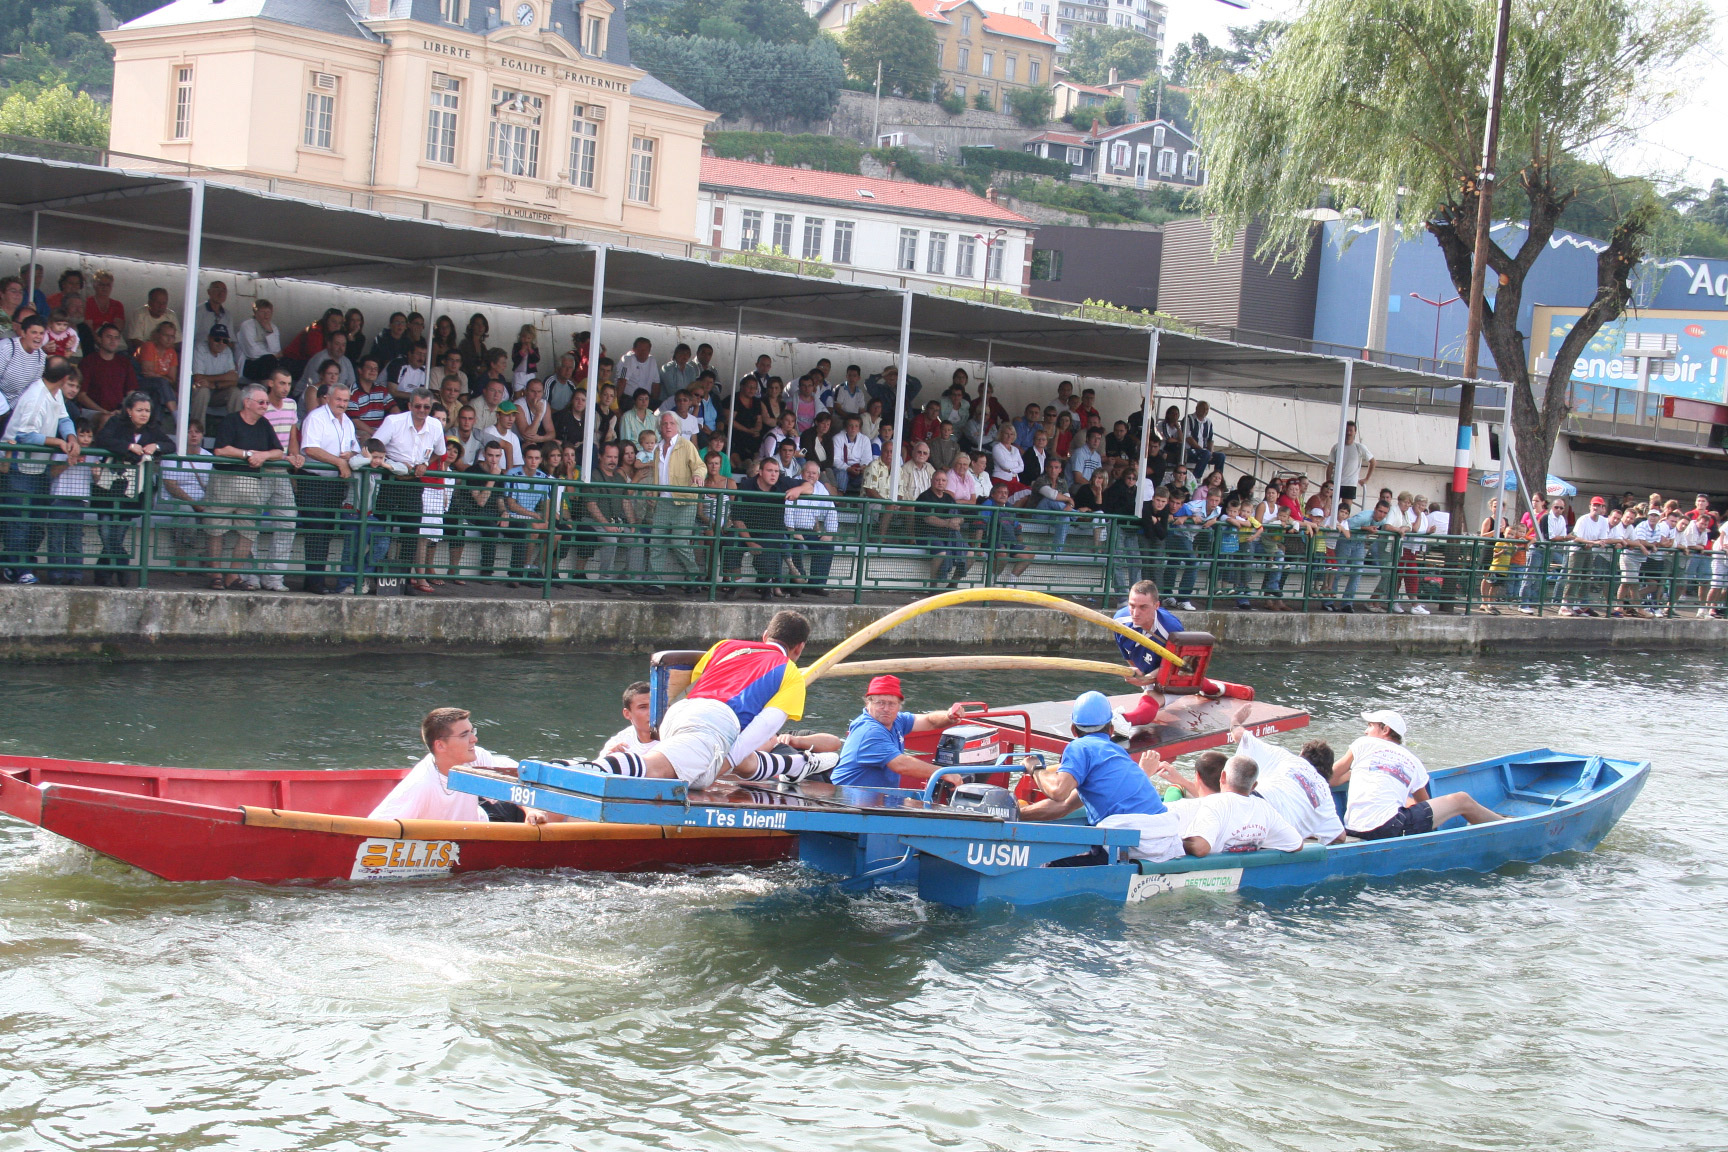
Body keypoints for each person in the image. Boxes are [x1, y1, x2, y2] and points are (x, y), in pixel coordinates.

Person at [576, 611, 836, 788]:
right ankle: (582, 771)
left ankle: (799, 765)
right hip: (714, 722)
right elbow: (761, 730)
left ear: (765, 636)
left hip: (680, 713)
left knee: (740, 762)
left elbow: (693, 684)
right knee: (656, 768)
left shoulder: (726, 646)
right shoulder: (790, 674)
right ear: (800, 648)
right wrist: (721, 766)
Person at [1017, 691, 1182, 865]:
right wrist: (1015, 814)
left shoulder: (1079, 747)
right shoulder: (1117, 754)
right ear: (1111, 730)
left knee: (1048, 866)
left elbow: (1058, 792)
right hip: (1162, 839)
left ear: (1073, 729)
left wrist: (1035, 768)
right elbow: (1063, 806)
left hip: (1131, 838)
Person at [1332, 709, 1503, 839]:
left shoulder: (1364, 744)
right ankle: (1504, 825)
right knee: (1461, 799)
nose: (1366, 731)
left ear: (1385, 729)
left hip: (1353, 828)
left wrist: (1352, 774)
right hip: (1390, 827)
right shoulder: (1413, 761)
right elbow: (1424, 803)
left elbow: (1330, 777)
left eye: (1370, 726)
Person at [368, 708, 521, 822]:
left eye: (472, 731)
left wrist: (533, 811)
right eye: (464, 735)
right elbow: (376, 827)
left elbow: (515, 789)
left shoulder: (475, 757)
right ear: (440, 746)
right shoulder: (421, 784)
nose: (474, 739)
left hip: (486, 818)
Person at [831, 675, 966, 789]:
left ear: (899, 706)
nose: (886, 708)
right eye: (880, 703)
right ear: (868, 703)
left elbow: (929, 721)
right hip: (849, 801)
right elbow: (901, 765)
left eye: (891, 704)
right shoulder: (869, 731)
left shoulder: (897, 720)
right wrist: (943, 773)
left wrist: (949, 717)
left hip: (879, 798)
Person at [1230, 724, 1345, 844]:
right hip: (1278, 830)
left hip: (1255, 799)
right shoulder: (1325, 794)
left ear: (1301, 755)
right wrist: (1310, 831)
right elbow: (1339, 837)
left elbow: (1239, 734)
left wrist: (1235, 721)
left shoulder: (1290, 758)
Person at [1176, 755, 1304, 857]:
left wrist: (1174, 842)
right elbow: (1296, 844)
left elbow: (1200, 848)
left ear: (1223, 777)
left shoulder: (1215, 803)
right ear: (1254, 786)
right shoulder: (1264, 808)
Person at [1113, 579, 1184, 727]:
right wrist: (1138, 674)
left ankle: (1122, 722)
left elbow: (1180, 665)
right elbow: (1128, 655)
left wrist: (1150, 678)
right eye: (1132, 606)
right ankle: (1219, 688)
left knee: (1151, 697)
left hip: (1174, 673)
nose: (1135, 613)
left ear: (1156, 606)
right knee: (1149, 693)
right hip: (1148, 668)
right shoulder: (1119, 622)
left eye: (1143, 607)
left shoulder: (1171, 628)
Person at [648, 408, 704, 586]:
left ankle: (694, 576)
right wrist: (654, 493)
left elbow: (700, 466)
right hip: (663, 501)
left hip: (684, 501)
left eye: (671, 423)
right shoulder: (657, 449)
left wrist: (698, 476)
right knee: (655, 542)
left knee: (679, 542)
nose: (668, 426)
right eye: (664, 423)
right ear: (660, 427)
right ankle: (656, 584)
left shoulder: (686, 445)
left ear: (678, 426)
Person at [601, 681, 660, 756]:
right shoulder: (618, 743)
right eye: (643, 707)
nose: (652, 712)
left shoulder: (674, 737)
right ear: (627, 714)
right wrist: (609, 759)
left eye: (655, 706)